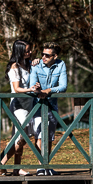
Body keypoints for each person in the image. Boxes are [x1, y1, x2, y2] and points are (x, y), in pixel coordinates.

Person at [0, 40, 38, 177]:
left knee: (22, 137)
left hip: (29, 104)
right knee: (20, 136)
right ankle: (3, 162)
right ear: (19, 51)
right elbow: (16, 88)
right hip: (19, 105)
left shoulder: (28, 64)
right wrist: (31, 89)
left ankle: (15, 167)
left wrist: (36, 62)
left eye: (30, 50)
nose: (30, 52)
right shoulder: (14, 67)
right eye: (27, 51)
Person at [27, 42, 67, 176]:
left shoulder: (61, 65)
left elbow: (63, 86)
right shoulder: (36, 65)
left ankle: (47, 165)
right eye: (42, 54)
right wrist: (36, 88)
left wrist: (49, 90)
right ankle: (40, 166)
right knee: (40, 134)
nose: (43, 57)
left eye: (47, 55)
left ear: (55, 56)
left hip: (52, 105)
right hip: (37, 105)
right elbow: (32, 84)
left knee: (49, 136)